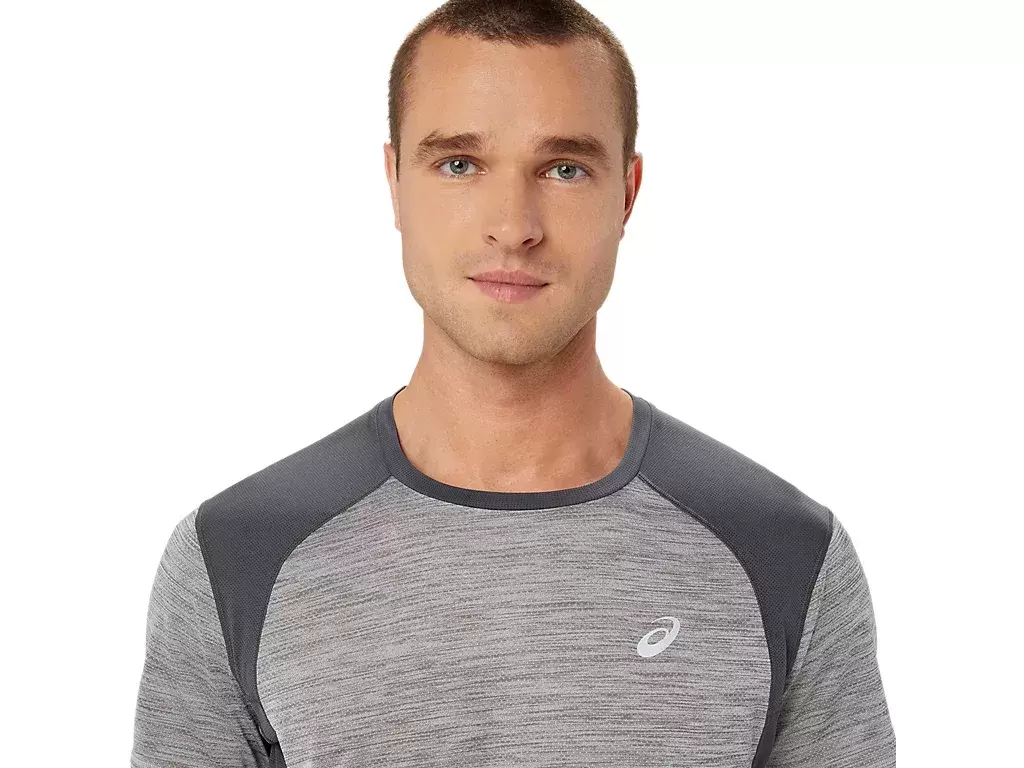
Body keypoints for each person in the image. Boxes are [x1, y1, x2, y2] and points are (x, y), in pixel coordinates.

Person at [130, 1, 896, 766]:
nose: (513, 225)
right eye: (459, 164)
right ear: (395, 182)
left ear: (627, 194)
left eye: (565, 168)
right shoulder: (236, 557)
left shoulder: (785, 553)